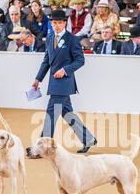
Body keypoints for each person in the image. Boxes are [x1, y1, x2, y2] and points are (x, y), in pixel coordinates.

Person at [31, 10, 97, 155]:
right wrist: (38, 79)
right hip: (54, 83)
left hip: (64, 83)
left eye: (59, 22)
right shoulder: (49, 38)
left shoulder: (72, 39)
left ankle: (43, 147)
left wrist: (65, 70)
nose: (57, 25)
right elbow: (46, 61)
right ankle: (88, 139)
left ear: (64, 23)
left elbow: (80, 60)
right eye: (54, 22)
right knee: (67, 114)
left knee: (51, 114)